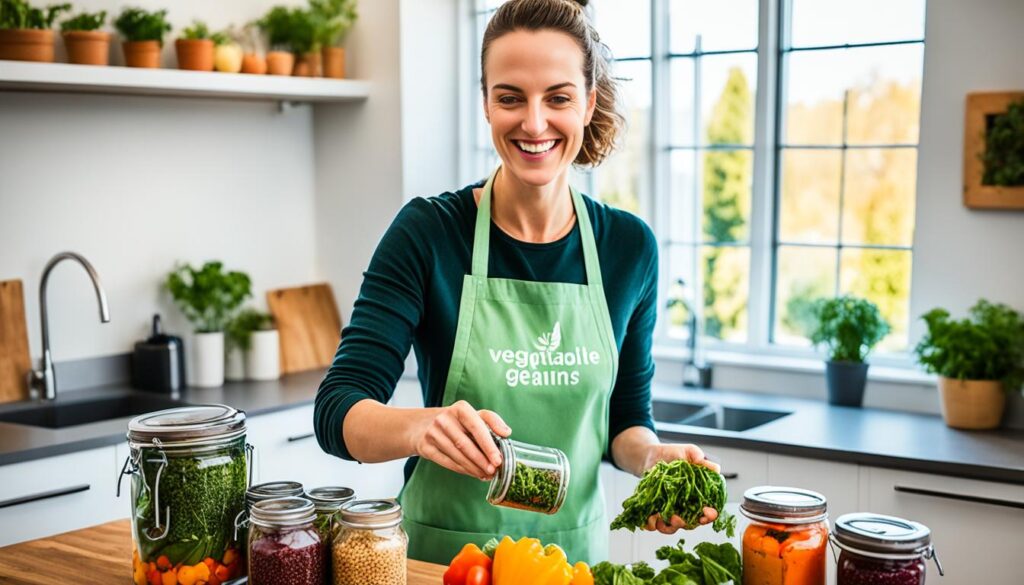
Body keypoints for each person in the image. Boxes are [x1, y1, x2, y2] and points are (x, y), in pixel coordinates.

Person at [314, 0, 720, 565]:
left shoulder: (628, 248)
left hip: (574, 565)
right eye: (510, 98)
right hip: (445, 564)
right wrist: (423, 429)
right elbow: (337, 411)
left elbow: (626, 422)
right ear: (485, 103)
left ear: (588, 103)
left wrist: (652, 458)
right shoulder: (428, 234)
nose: (533, 123)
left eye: (558, 97)